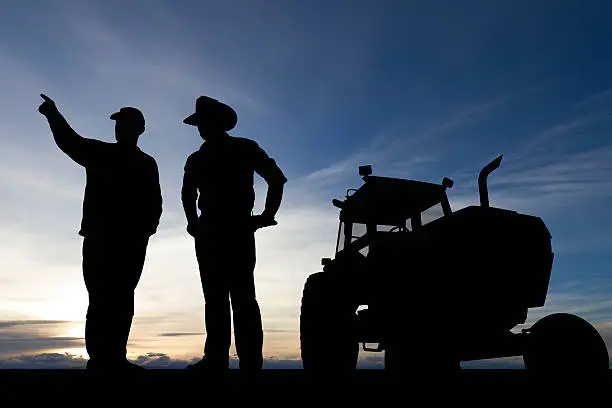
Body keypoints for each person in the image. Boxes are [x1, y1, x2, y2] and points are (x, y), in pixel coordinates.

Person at [38, 94, 163, 371]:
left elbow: (154, 204)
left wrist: (143, 233)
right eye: (118, 124)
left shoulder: (145, 163)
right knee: (100, 299)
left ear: (139, 129)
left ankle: (114, 358)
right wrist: (53, 114)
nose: (120, 128)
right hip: (99, 239)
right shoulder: (100, 153)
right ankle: (101, 360)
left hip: (129, 242)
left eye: (126, 124)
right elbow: (69, 141)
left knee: (121, 299)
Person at [181, 95, 287, 372]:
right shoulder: (206, 155)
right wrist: (193, 222)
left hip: (228, 229)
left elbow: (276, 179)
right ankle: (225, 361)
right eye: (199, 123)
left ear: (215, 123)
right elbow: (187, 193)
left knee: (236, 298)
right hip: (221, 230)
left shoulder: (231, 150)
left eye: (203, 122)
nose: (201, 128)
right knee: (225, 298)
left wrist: (266, 215)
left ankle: (240, 362)